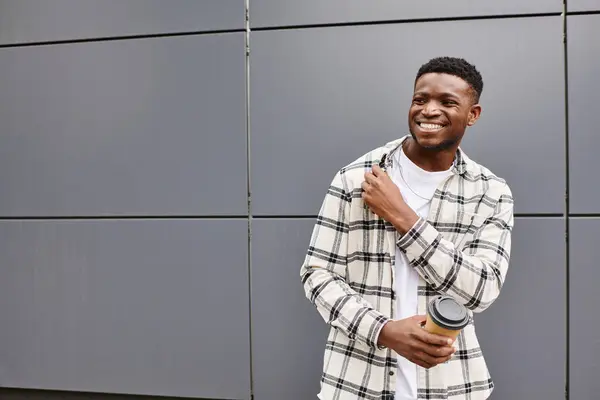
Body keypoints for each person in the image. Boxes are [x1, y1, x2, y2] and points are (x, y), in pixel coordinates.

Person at [300, 56, 514, 400]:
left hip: (451, 386)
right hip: (355, 385)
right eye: (420, 99)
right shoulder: (357, 178)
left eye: (447, 102)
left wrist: (404, 218)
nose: (429, 110)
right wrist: (382, 330)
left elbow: (481, 290)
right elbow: (316, 274)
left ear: (473, 114)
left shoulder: (490, 192)